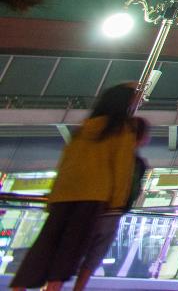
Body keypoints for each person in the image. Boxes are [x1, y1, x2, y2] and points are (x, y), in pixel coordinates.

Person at [9, 84, 140, 290]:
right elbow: (122, 168)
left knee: (46, 244)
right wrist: (116, 203)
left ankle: (20, 286)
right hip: (93, 196)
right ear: (124, 103)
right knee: (71, 247)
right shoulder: (122, 129)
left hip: (64, 194)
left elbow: (66, 162)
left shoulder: (85, 126)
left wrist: (53, 195)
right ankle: (53, 286)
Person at [73, 117, 150, 291]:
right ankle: (77, 288)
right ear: (142, 137)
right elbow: (132, 189)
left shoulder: (103, 152)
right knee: (93, 257)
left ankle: (54, 286)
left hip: (89, 209)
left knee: (73, 252)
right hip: (112, 212)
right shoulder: (135, 162)